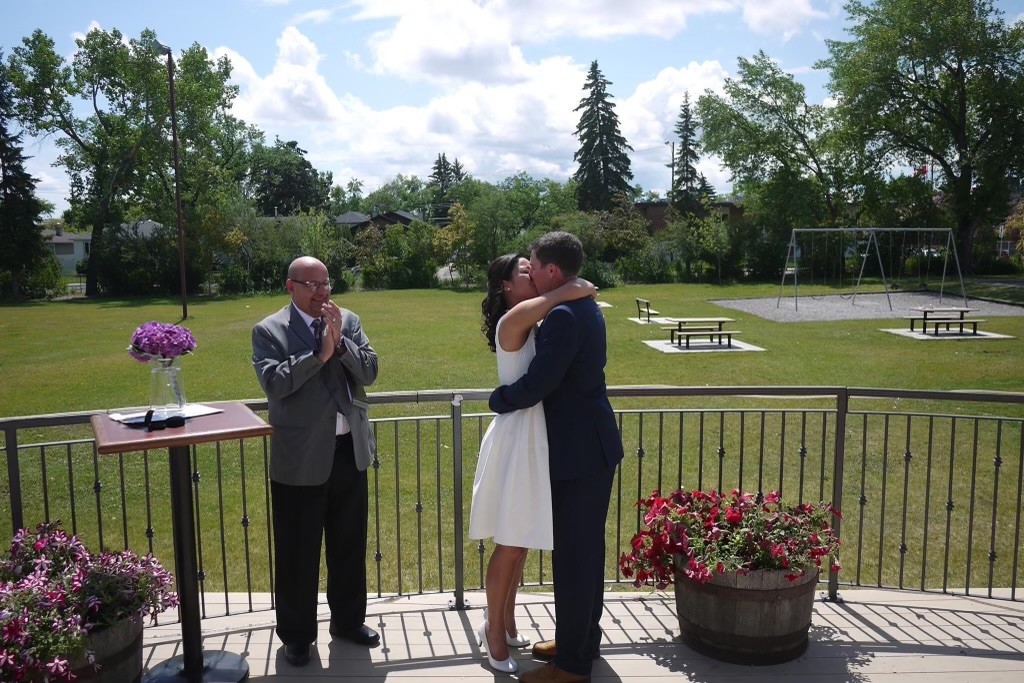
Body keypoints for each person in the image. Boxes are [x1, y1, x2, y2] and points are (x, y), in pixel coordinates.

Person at [489, 232, 624, 683]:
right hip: (588, 448)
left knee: (575, 559)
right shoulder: (577, 305)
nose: (530, 271)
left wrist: (497, 399)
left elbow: (539, 384)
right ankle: (579, 641)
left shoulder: (564, 314)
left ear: (551, 270)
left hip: (579, 453)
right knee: (585, 553)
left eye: (533, 264)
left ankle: (571, 666)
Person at [251, 256, 380, 668]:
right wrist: (319, 355)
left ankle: (348, 621)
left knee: (348, 545)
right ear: (290, 286)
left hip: (348, 452)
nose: (322, 292)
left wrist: (340, 344)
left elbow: (370, 371)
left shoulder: (349, 321)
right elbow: (274, 384)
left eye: (326, 283)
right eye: (312, 284)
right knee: (297, 552)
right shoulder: (269, 331)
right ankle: (297, 635)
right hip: (300, 459)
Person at [471, 254, 597, 674]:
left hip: (533, 436)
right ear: (506, 286)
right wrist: (575, 286)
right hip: (518, 437)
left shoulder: (532, 316)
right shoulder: (515, 319)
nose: (532, 274)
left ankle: (506, 622)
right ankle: (493, 630)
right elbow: (564, 293)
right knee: (510, 542)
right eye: (524, 271)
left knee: (520, 540)